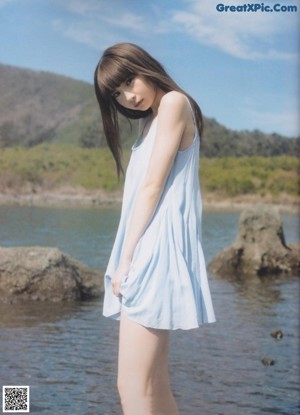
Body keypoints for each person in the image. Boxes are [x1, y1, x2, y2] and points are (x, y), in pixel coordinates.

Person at [94, 43, 216, 415]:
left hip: (151, 253)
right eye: (117, 93)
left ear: (146, 67)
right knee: (152, 385)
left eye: (130, 81)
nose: (128, 96)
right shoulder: (152, 119)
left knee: (132, 385)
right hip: (149, 249)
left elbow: (152, 188)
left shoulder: (174, 104)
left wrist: (126, 259)